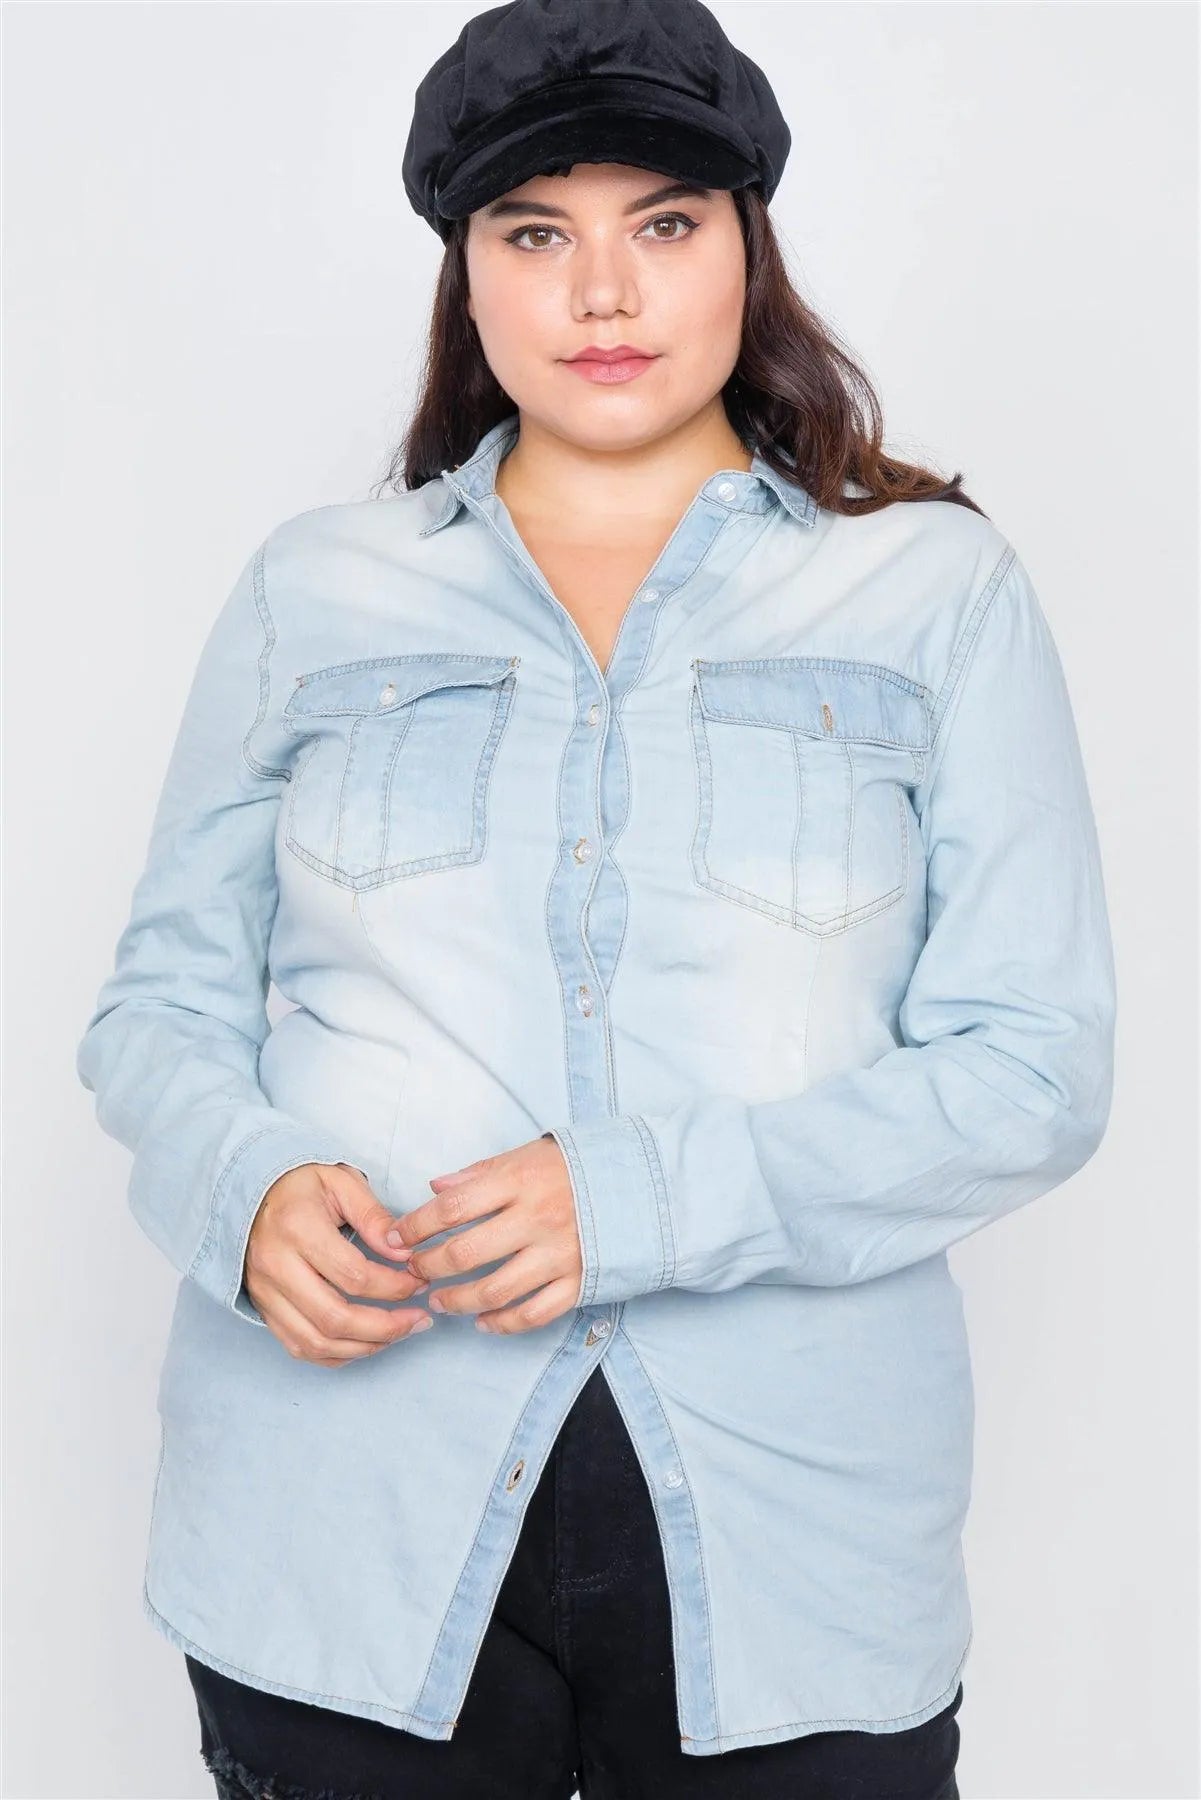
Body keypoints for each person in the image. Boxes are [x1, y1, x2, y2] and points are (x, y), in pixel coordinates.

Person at [75, 0, 1117, 1795]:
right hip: (339, 1521)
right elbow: (158, 1007)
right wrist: (239, 1194)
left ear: (745, 250)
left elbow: (1035, 1068)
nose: (603, 292)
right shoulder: (313, 590)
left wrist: (637, 1198)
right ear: (466, 275)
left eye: (664, 223)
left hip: (793, 1544)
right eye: (534, 232)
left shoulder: (930, 594)